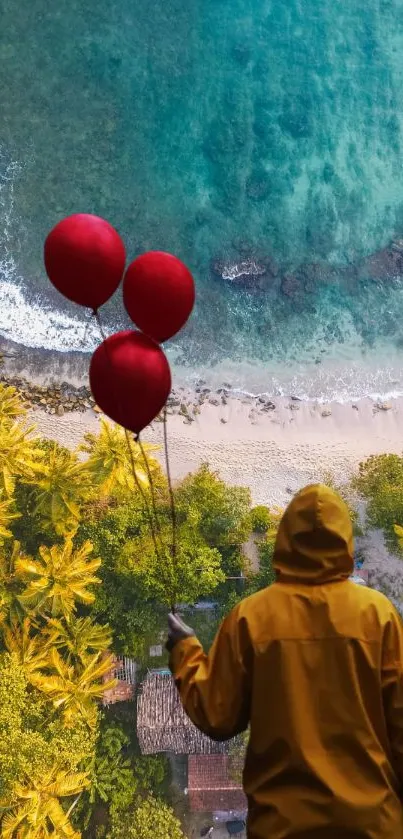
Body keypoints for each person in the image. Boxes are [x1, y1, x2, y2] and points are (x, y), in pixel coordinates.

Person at [166, 484, 403, 839]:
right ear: (345, 543)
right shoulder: (377, 615)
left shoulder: (251, 616)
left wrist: (184, 649)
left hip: (282, 827)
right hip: (372, 825)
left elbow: (217, 716)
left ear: (285, 540)